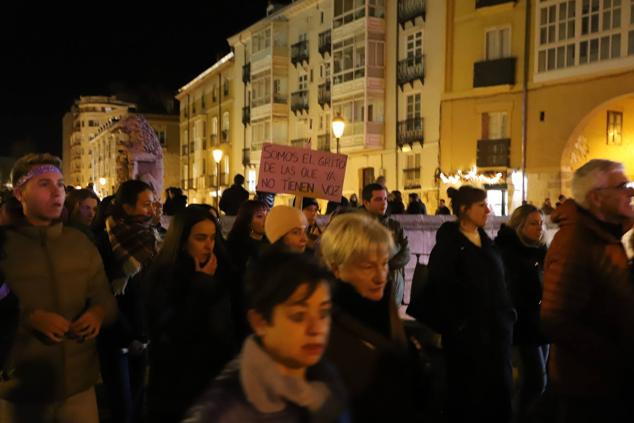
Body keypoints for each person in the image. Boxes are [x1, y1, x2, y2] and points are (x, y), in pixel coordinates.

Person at [0, 153, 117, 423]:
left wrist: (98, 313)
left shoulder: (80, 243)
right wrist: (27, 319)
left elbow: (105, 296)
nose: (57, 192)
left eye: (61, 184)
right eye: (44, 184)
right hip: (20, 392)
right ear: (20, 193)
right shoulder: (4, 247)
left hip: (79, 390)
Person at [182, 252, 348, 423]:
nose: (316, 329)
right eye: (299, 316)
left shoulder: (326, 379)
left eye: (323, 313)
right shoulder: (222, 411)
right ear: (260, 322)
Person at [542, 159, 634, 422]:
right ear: (596, 198)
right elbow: (556, 319)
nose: (631, 192)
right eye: (622, 186)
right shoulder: (575, 243)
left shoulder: (605, 237)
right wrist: (619, 358)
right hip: (590, 392)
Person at [420, 186, 515, 423]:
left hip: (497, 335)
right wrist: (460, 325)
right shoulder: (450, 246)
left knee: (499, 394)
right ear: (464, 209)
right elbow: (442, 288)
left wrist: (507, 315)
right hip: (469, 340)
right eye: (481, 205)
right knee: (469, 398)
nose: (488, 210)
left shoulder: (487, 242)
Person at [320, 212, 418, 421]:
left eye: (384, 263)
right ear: (336, 268)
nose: (380, 276)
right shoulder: (323, 324)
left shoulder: (384, 306)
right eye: (367, 266)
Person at [145, 207, 239, 423]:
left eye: (212, 237)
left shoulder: (224, 271)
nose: (209, 245)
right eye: (200, 238)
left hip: (217, 382)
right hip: (179, 386)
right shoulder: (164, 276)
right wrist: (201, 286)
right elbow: (171, 333)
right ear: (182, 239)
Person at [98, 179, 160, 423]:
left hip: (143, 332)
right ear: (126, 206)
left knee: (137, 398)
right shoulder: (106, 239)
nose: (151, 210)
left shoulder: (151, 236)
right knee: (122, 405)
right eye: (146, 204)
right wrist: (129, 334)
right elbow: (103, 291)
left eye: (153, 204)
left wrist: (144, 334)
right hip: (116, 333)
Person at [495, 205, 549, 422]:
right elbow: (512, 292)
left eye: (541, 223)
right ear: (519, 226)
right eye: (533, 223)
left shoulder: (541, 251)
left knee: (540, 379)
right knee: (534, 380)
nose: (539, 228)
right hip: (522, 327)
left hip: (541, 323)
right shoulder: (509, 253)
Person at [361, 183, 410, 305]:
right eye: (378, 199)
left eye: (385, 199)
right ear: (366, 203)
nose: (384, 203)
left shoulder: (395, 225)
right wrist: (395, 249)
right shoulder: (359, 226)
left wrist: (385, 264)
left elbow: (406, 254)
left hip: (395, 287)